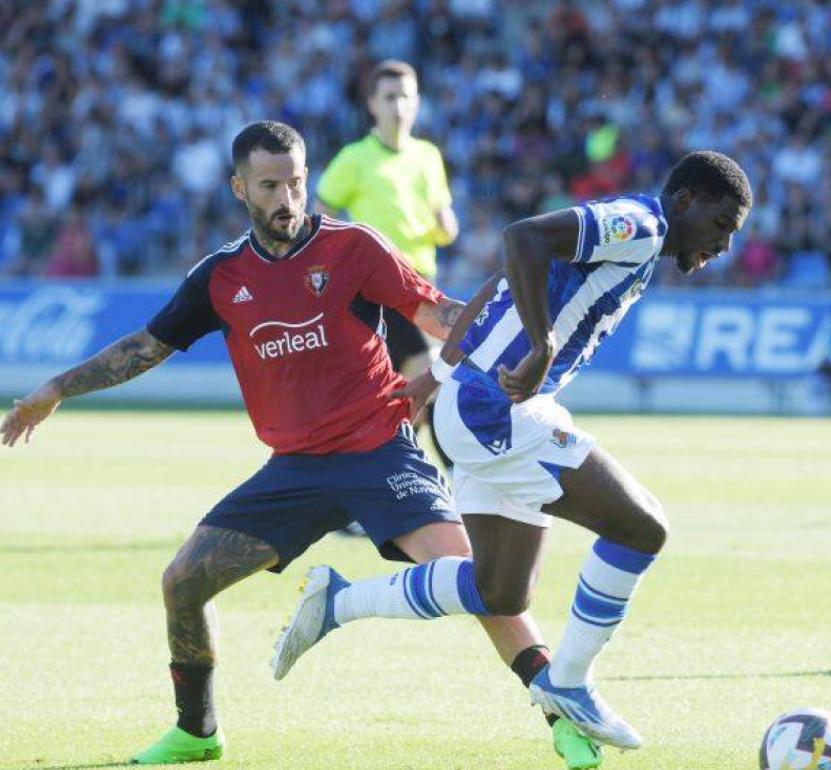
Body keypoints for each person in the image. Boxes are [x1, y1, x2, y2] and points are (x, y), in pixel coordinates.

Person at [1, 121, 597, 769]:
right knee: (183, 583)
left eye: (296, 182)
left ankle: (561, 715)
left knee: (480, 583)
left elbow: (437, 316)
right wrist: (56, 388)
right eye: (269, 185)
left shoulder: (353, 248)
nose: (287, 198)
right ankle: (197, 732)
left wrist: (514, 320)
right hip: (294, 470)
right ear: (239, 189)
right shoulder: (221, 277)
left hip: (380, 452)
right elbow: (147, 347)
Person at [272, 150, 753, 752]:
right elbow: (521, 237)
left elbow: (500, 284)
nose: (723, 245)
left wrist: (440, 375)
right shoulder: (644, 224)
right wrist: (543, 341)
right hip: (499, 411)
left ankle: (338, 602)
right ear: (685, 200)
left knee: (500, 592)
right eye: (720, 226)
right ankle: (570, 682)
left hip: (478, 402)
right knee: (642, 527)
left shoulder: (633, 231)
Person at [315, 60, 458, 379]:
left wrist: (446, 227)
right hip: (380, 281)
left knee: (407, 379)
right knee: (429, 366)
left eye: (406, 96)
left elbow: (444, 222)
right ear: (373, 104)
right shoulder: (354, 158)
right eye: (390, 97)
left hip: (424, 280)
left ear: (418, 102)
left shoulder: (427, 155)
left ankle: (397, 428)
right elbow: (323, 214)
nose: (399, 105)